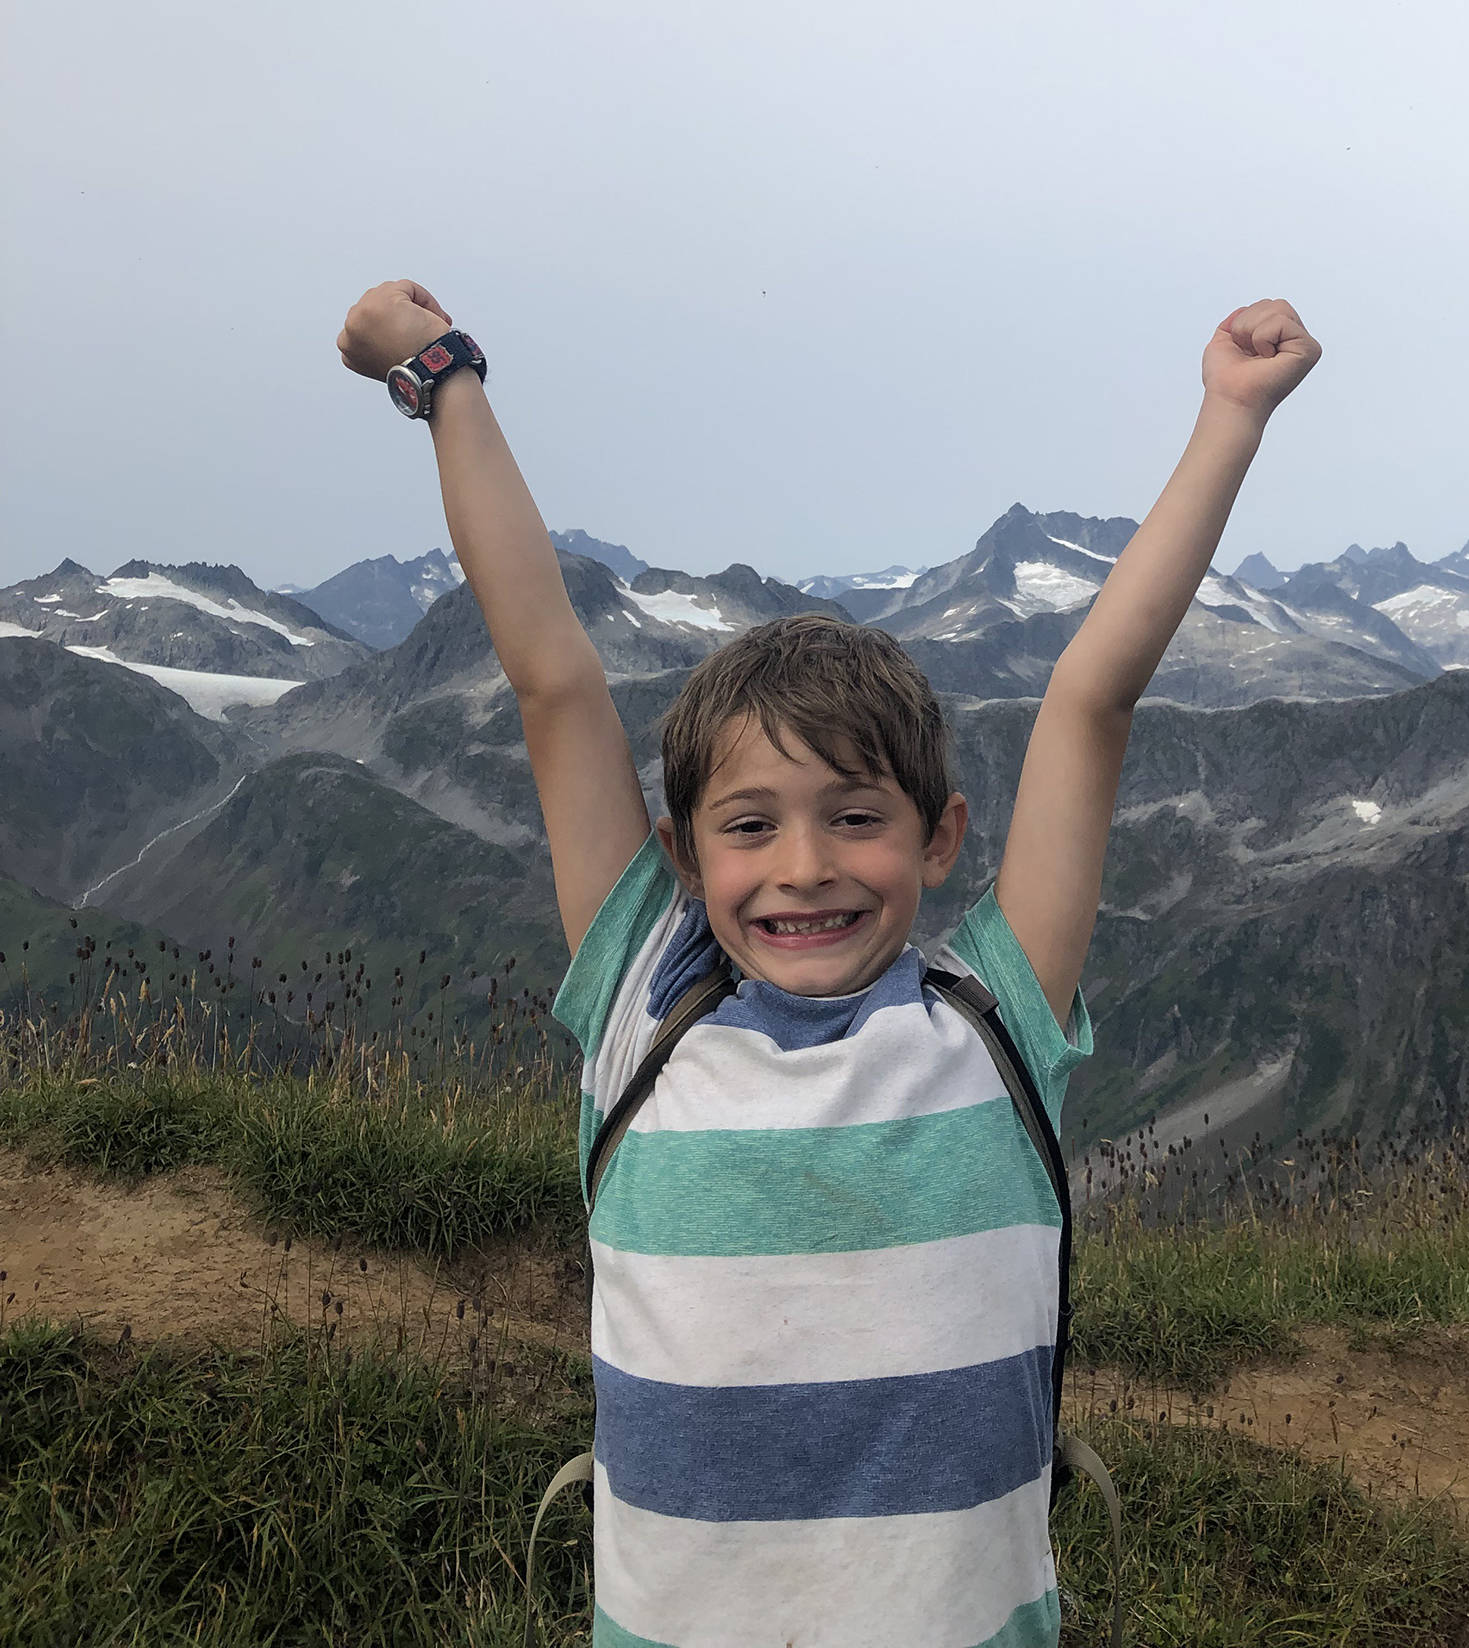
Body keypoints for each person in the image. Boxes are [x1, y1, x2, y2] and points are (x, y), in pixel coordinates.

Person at [338, 280, 1320, 1648]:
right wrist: (443, 379)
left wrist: (1229, 415)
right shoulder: (644, 1002)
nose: (803, 866)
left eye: (857, 817)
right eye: (750, 828)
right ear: (683, 860)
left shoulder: (994, 1017)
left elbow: (1094, 696)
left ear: (939, 840)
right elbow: (552, 680)